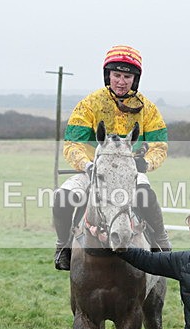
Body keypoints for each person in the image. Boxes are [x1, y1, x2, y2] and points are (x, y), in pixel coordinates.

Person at [52, 44, 170, 270]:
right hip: (92, 171)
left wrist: (144, 163)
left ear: (135, 79)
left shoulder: (149, 109)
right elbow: (72, 144)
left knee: (146, 194)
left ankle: (161, 242)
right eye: (117, 75)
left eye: (127, 76)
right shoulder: (89, 104)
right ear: (108, 75)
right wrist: (86, 165)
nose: (121, 81)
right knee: (62, 198)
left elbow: (159, 147)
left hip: (129, 174)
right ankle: (63, 246)